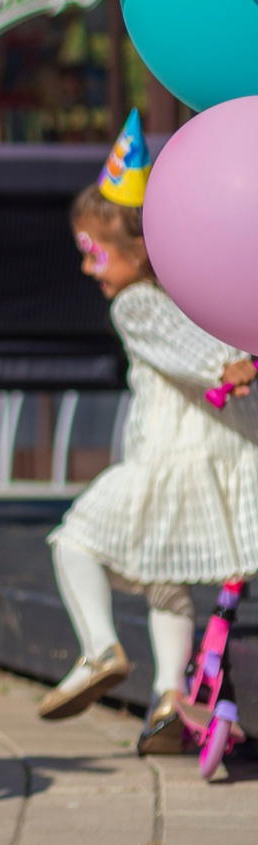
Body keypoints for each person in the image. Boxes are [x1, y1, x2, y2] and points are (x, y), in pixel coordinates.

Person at [37, 113, 258, 748]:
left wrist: (221, 365)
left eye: (95, 253)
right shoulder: (199, 294)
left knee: (74, 540)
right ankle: (168, 695)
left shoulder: (136, 303)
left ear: (140, 248)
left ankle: (99, 650)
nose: (90, 269)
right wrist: (230, 358)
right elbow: (199, 339)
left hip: (172, 459)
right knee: (166, 578)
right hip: (225, 454)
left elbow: (175, 345)